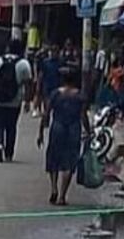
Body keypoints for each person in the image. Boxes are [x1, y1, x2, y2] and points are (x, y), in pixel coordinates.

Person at [38, 68, 90, 206]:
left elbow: (46, 113)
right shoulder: (80, 96)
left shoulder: (55, 94)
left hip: (57, 128)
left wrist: (41, 132)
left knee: (54, 158)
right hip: (73, 129)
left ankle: (54, 188)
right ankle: (62, 195)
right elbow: (83, 116)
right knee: (69, 162)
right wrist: (89, 131)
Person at [0, 39, 34, 163]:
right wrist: (28, 101)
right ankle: (9, 153)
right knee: (11, 126)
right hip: (15, 100)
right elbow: (29, 84)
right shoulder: (24, 64)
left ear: (8, 48)